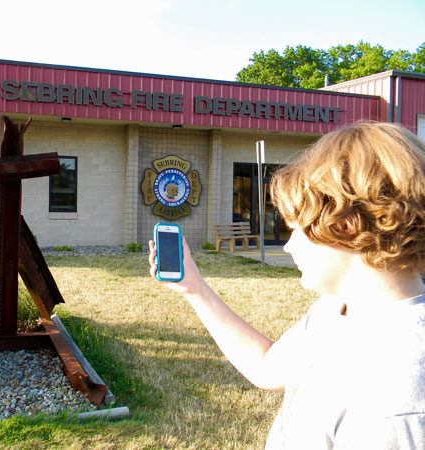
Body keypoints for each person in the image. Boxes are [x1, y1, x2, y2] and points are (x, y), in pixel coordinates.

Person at [148, 122, 425, 449]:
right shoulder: (336, 307)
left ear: (346, 225)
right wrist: (194, 287)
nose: (288, 246)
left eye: (295, 229)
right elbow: (267, 367)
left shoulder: (397, 398)